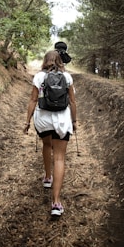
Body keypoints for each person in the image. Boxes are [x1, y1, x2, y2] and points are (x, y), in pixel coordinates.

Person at [23, 50, 77, 216]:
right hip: (61, 120)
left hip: (43, 119)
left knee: (47, 144)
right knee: (60, 157)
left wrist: (27, 122)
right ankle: (56, 203)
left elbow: (33, 100)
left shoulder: (39, 76)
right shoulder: (67, 77)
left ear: (45, 60)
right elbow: (72, 102)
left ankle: (47, 178)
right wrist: (74, 122)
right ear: (60, 61)